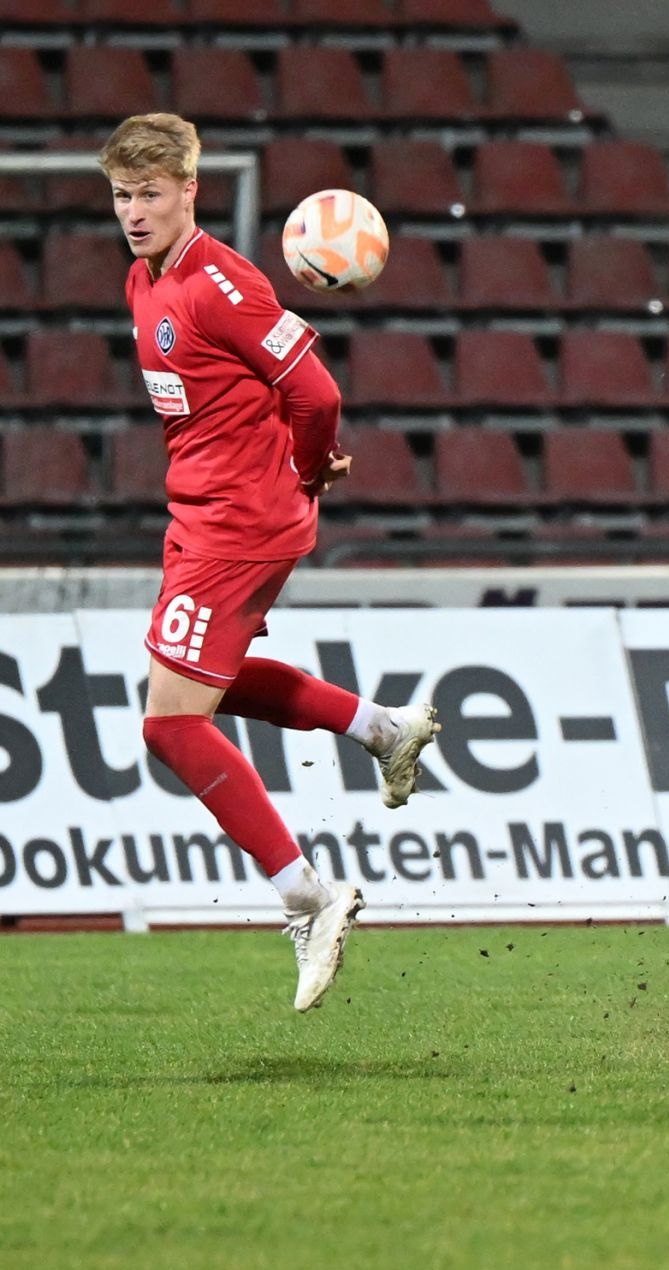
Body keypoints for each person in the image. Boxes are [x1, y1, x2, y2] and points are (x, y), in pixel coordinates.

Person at [102, 113, 441, 1011]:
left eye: (149, 194)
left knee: (170, 726)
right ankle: (383, 729)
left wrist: (306, 465)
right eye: (122, 195)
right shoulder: (142, 279)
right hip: (202, 516)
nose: (133, 212)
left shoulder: (220, 282)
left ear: (189, 191)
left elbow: (316, 391)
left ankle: (307, 896)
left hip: (240, 526)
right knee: (199, 688)